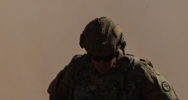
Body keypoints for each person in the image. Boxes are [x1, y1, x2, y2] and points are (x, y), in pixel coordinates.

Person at [47, 17, 179, 100]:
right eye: (96, 58)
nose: (102, 63)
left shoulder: (138, 73)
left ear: (117, 50)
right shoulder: (77, 69)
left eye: (108, 57)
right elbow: (57, 96)